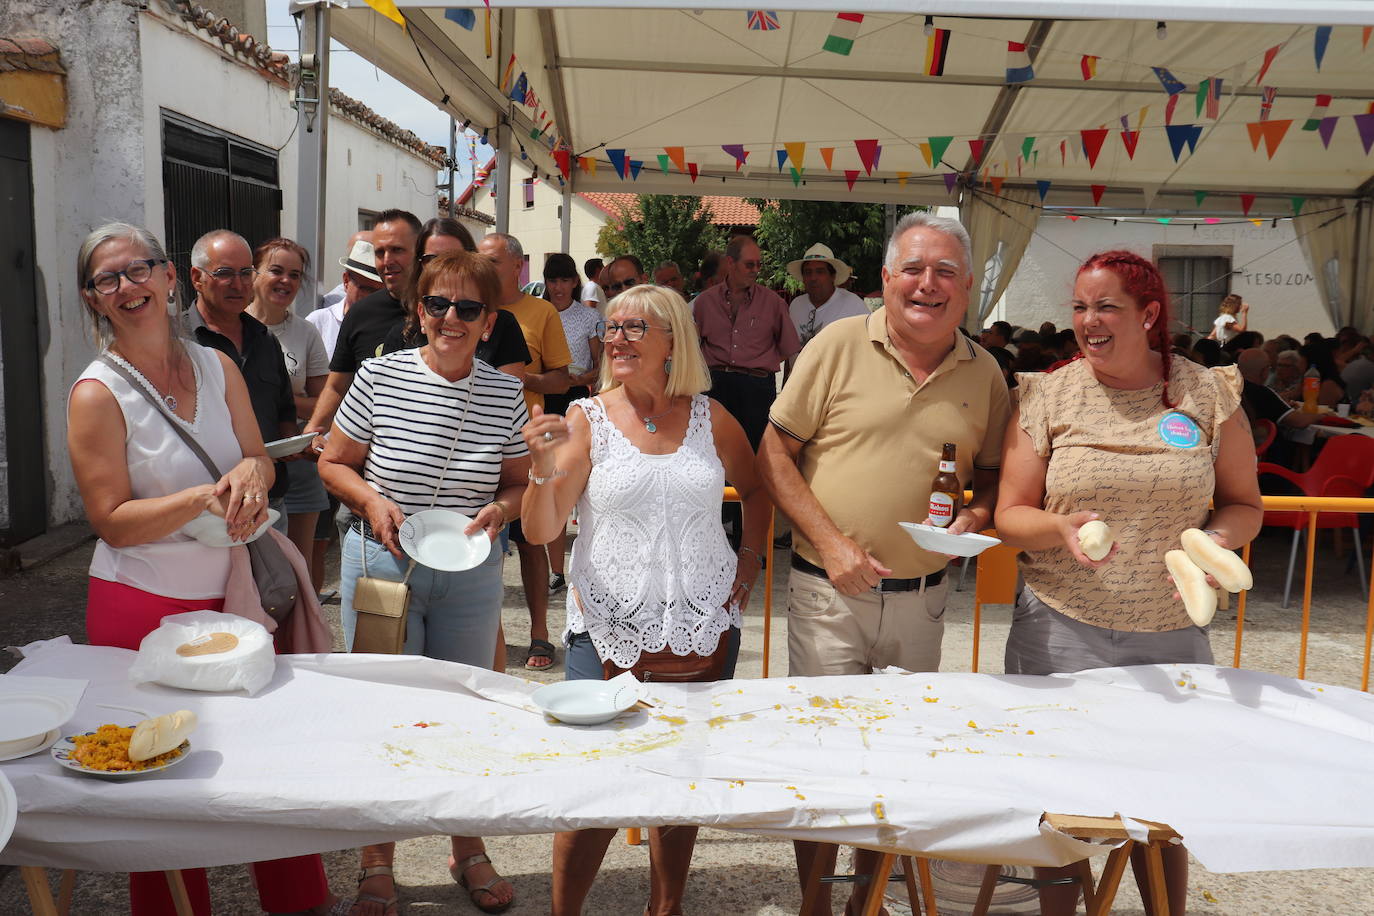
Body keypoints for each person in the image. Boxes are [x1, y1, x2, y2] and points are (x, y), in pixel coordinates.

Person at [68, 222, 339, 916]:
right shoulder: (97, 394)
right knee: (157, 782)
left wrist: (250, 476)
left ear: (167, 277)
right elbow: (109, 518)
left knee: (268, 764)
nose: (128, 286)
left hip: (236, 596)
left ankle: (299, 904)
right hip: (140, 604)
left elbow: (257, 456)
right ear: (93, 299)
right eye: (108, 278)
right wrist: (198, 496)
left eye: (139, 269)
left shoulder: (218, 369)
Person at [757, 212, 1010, 916]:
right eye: (914, 270)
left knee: (895, 759)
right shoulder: (837, 344)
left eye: (946, 274)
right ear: (886, 281)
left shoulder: (985, 371)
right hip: (827, 593)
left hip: (924, 599)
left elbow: (989, 477)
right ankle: (814, 904)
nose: (928, 285)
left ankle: (866, 901)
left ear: (964, 294)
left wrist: (977, 516)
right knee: (823, 758)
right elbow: (773, 451)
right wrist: (834, 544)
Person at [995, 250, 1262, 916]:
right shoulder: (1050, 392)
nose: (1088, 321)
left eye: (1106, 306)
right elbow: (1010, 513)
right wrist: (1058, 530)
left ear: (1148, 314)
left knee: (1165, 800)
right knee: (1057, 803)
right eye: (1081, 307)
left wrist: (1217, 544)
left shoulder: (1207, 393)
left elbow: (1244, 502)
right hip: (1058, 627)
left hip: (1171, 635)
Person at [519, 285, 769, 916]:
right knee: (594, 793)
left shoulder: (711, 417)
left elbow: (760, 491)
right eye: (612, 327)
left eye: (636, 327)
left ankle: (667, 906)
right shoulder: (586, 417)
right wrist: (542, 471)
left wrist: (749, 561)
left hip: (705, 627)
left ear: (672, 342)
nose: (618, 338)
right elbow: (543, 530)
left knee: (682, 780)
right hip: (609, 631)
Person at [319, 250, 528, 916]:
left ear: (489, 321)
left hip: (468, 573)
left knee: (465, 714)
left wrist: (504, 510)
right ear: (419, 311)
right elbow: (333, 463)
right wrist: (372, 503)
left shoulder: (503, 392)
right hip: (384, 566)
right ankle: (376, 860)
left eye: (468, 308)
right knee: (382, 716)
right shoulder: (380, 377)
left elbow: (519, 484)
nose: (451, 319)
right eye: (438, 304)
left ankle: (467, 847)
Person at [478, 231, 573, 670]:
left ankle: (539, 634)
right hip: (475, 446)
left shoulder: (541, 312)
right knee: (480, 541)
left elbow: (562, 379)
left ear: (517, 266)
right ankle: (484, 632)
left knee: (533, 541)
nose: (485, 267)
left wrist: (519, 379)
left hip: (525, 441)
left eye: (493, 261)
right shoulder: (467, 308)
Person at [183, 230, 297, 519]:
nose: (238, 284)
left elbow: (284, 409)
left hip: (269, 500)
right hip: (207, 505)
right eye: (224, 273)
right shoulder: (175, 342)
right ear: (197, 278)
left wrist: (292, 444)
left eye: (246, 273)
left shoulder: (265, 339)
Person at [247, 237, 331, 590]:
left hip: (298, 459)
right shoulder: (234, 329)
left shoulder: (305, 332)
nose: (286, 281)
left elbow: (325, 402)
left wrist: (276, 397)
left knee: (302, 563)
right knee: (254, 566)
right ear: (254, 274)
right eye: (276, 271)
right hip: (247, 461)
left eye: (294, 275)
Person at [305, 209, 422, 443]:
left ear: (419, 251)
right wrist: (313, 432)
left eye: (397, 250)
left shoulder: (443, 310)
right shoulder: (360, 313)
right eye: (380, 252)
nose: (387, 260)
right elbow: (337, 387)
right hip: (364, 459)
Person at [693, 235, 801, 449]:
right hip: (715, 385)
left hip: (756, 388)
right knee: (713, 452)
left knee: (754, 455)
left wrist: (757, 361)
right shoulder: (705, 302)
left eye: (758, 265)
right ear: (730, 263)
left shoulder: (773, 303)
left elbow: (789, 350)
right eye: (749, 264)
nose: (755, 270)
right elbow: (693, 348)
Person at [542, 253, 602, 594]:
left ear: (574, 283)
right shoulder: (539, 313)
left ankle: (588, 561)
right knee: (550, 483)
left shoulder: (589, 317)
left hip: (577, 402)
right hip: (545, 403)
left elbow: (599, 366)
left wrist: (574, 381)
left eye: (565, 281)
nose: (559, 287)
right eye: (553, 281)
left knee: (581, 484)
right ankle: (554, 569)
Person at [785, 243, 869, 353]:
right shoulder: (796, 305)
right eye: (808, 272)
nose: (813, 278)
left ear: (832, 276)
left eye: (820, 272)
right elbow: (789, 350)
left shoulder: (854, 306)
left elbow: (868, 347)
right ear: (803, 277)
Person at [311, 231, 380, 354]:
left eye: (377, 291)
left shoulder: (390, 326)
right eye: (364, 288)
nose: (370, 297)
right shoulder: (318, 322)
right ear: (346, 280)